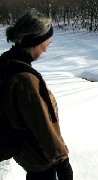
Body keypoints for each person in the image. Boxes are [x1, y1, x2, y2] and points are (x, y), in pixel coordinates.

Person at [0, 9, 73, 180]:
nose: (46, 50)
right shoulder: (24, 79)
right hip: (39, 157)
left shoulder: (6, 63)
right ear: (35, 42)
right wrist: (62, 162)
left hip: (25, 153)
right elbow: (41, 125)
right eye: (46, 44)